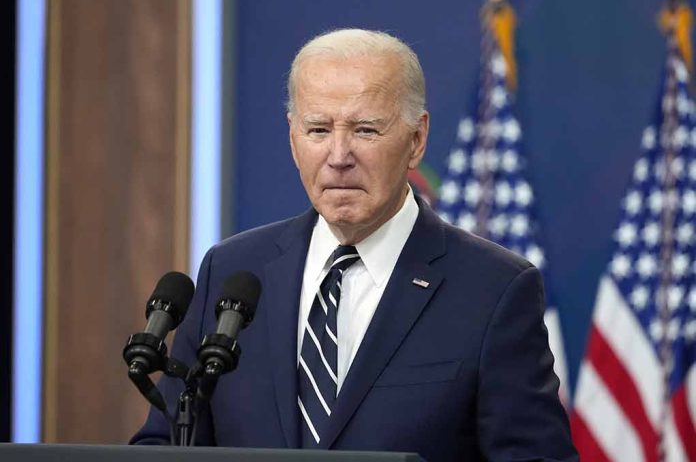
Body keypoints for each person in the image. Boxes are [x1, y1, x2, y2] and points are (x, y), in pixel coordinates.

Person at [132, 28, 578, 461]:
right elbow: (166, 444)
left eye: (365, 130)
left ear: (417, 139)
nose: (339, 155)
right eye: (318, 130)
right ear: (292, 138)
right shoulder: (230, 271)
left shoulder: (493, 289)